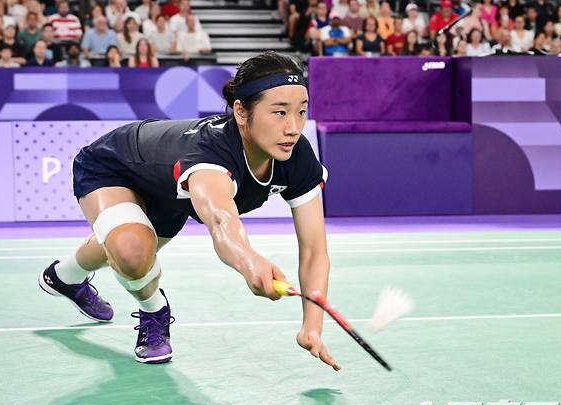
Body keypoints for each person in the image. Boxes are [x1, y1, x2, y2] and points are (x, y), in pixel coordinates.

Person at [39, 51, 339, 371]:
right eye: (279, 112)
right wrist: (250, 261)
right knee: (130, 250)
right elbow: (222, 220)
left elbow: (313, 250)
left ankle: (64, 277)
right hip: (115, 166)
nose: (293, 127)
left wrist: (312, 325)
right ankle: (155, 310)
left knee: (124, 248)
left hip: (169, 192)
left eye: (302, 112)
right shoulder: (211, 153)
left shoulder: (297, 157)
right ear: (241, 111)